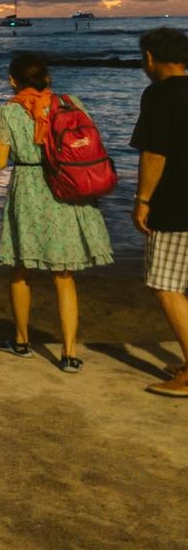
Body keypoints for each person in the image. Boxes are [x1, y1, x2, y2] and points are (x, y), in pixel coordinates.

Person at [0, 53, 113, 371]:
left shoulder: (7, 111)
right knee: (63, 275)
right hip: (66, 184)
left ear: (13, 80)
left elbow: (0, 163)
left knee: (20, 269)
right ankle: (69, 354)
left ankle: (22, 341)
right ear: (46, 78)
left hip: (29, 189)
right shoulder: (70, 102)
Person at [130, 26, 188, 398]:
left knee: (165, 285)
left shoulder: (159, 95)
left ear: (150, 57)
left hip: (175, 204)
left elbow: (154, 153)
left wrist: (143, 200)